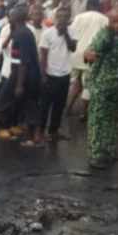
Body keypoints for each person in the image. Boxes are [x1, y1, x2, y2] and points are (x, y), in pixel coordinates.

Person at [0, 5, 41, 146]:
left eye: (10, 15)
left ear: (16, 17)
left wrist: (18, 85)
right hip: (29, 75)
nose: (8, 18)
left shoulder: (22, 34)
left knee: (0, 103)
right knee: (30, 106)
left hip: (20, 74)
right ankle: (35, 139)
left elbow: (24, 61)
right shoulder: (24, 32)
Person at [84, 6, 118, 170]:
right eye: (114, 21)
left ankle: (109, 148)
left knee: (113, 118)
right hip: (102, 83)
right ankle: (95, 153)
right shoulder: (105, 35)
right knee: (97, 119)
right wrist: (90, 54)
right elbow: (88, 52)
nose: (117, 25)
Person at [38, 7, 77, 143]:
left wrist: (65, 34)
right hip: (50, 74)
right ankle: (41, 131)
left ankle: (53, 131)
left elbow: (73, 48)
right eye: (59, 16)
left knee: (59, 105)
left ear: (69, 18)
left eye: (65, 16)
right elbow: (43, 57)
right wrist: (43, 76)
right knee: (45, 105)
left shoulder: (72, 31)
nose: (62, 18)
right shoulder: (47, 33)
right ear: (55, 17)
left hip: (65, 73)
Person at [66, 0, 109, 120]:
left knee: (74, 81)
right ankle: (83, 112)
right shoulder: (104, 19)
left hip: (76, 52)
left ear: (87, 5)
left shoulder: (79, 17)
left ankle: (68, 108)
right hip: (92, 54)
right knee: (88, 84)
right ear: (98, 5)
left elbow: (72, 33)